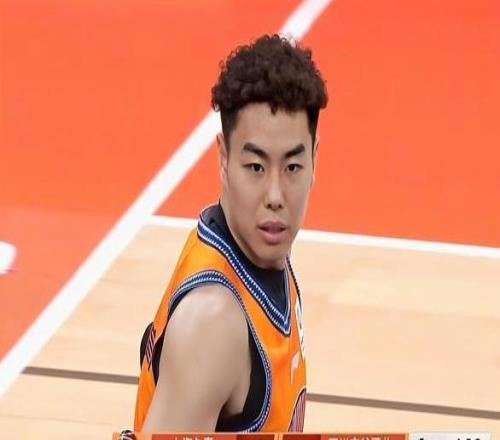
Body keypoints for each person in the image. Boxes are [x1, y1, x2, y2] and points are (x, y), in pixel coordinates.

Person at [133, 33, 327, 433]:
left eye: (292, 167)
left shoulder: (259, 252)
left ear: (314, 159)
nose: (275, 196)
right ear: (223, 159)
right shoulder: (212, 324)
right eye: (255, 167)